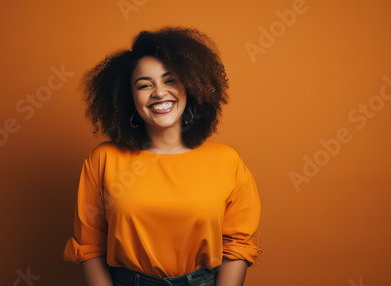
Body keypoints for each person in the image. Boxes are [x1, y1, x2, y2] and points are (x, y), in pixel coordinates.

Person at [63, 26, 263, 286]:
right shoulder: (103, 160)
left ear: (190, 87)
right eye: (144, 85)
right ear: (129, 98)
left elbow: (237, 248)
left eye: (170, 80)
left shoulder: (227, 162)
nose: (159, 92)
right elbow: (89, 246)